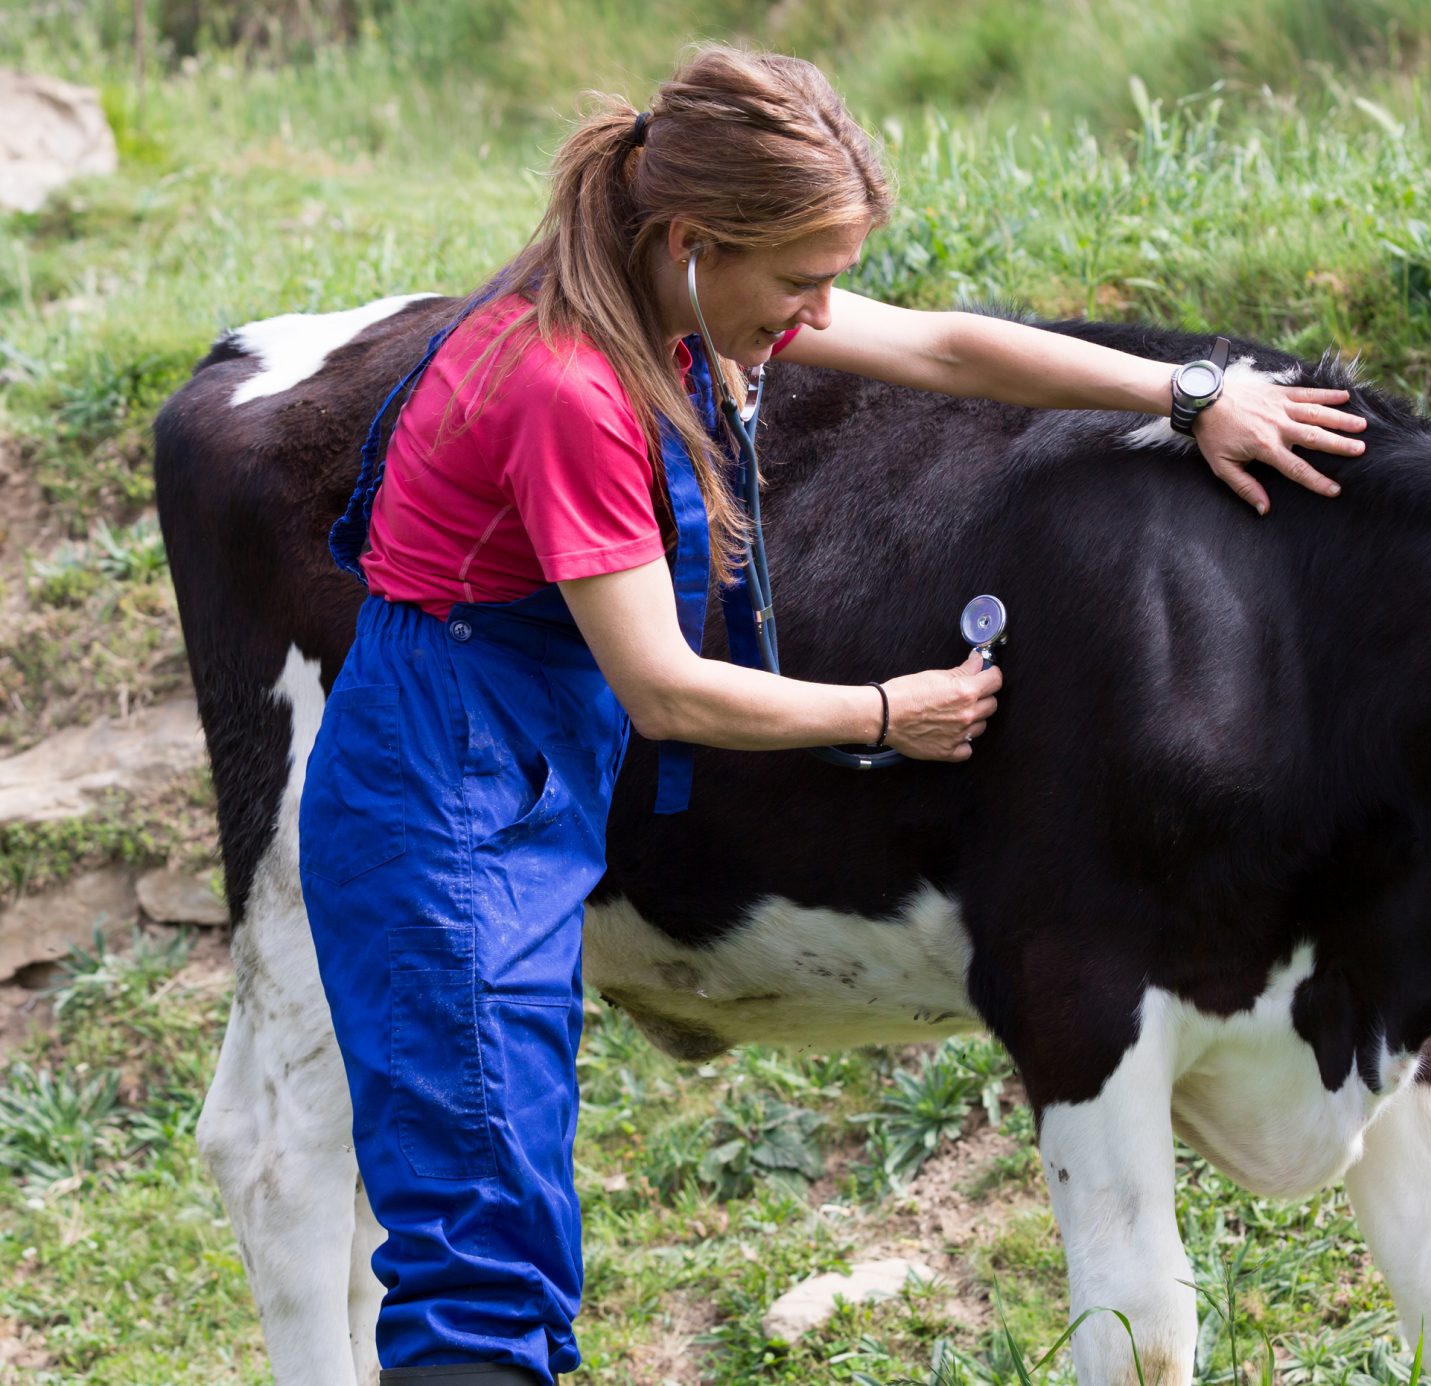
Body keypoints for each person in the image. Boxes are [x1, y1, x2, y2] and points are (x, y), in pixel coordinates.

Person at [297, 43, 1368, 1385]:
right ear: (695, 237)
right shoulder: (569, 385)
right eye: (798, 280)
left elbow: (940, 346)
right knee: (479, 1257)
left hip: (510, 777)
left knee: (510, 1221)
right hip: (442, 801)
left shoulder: (645, 287)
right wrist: (884, 710)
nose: (813, 314)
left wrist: (1187, 389)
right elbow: (664, 686)